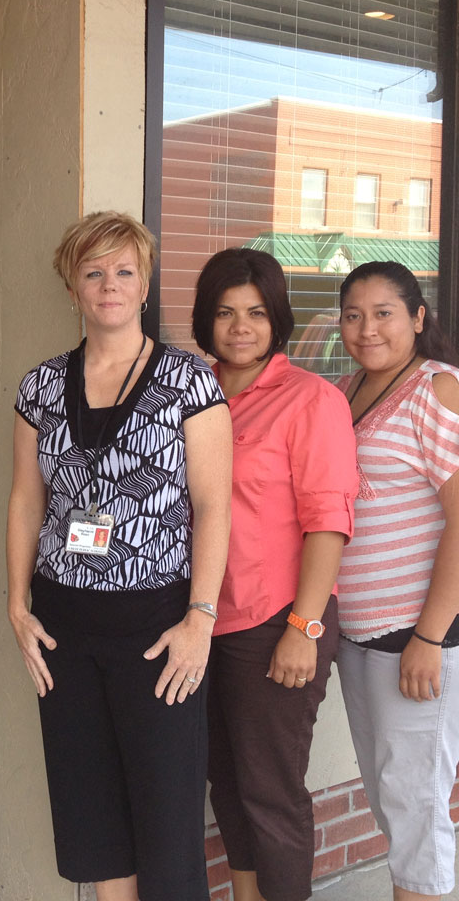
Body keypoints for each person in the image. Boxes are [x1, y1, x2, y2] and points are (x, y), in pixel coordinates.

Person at [6, 211, 232, 901]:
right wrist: (16, 603)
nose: (109, 284)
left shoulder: (190, 383)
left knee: (165, 817)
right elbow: (24, 500)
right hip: (63, 628)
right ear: (73, 287)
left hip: (156, 627)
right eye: (93, 272)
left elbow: (214, 507)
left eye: (124, 271)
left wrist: (200, 618)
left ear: (144, 283)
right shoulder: (41, 387)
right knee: (91, 809)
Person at [191, 249, 358, 901]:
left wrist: (304, 626)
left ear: (277, 318)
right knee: (226, 781)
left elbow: (329, 521)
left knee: (270, 788)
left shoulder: (309, 399)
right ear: (206, 318)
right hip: (203, 619)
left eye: (257, 313)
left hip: (276, 621)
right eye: (226, 312)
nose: (240, 327)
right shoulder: (191, 395)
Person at [335, 261, 459, 901]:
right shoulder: (351, 387)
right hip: (358, 637)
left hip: (416, 639)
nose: (367, 328)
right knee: (392, 803)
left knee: (416, 814)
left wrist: (429, 637)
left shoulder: (436, 391)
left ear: (416, 317)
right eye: (353, 315)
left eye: (384, 313)